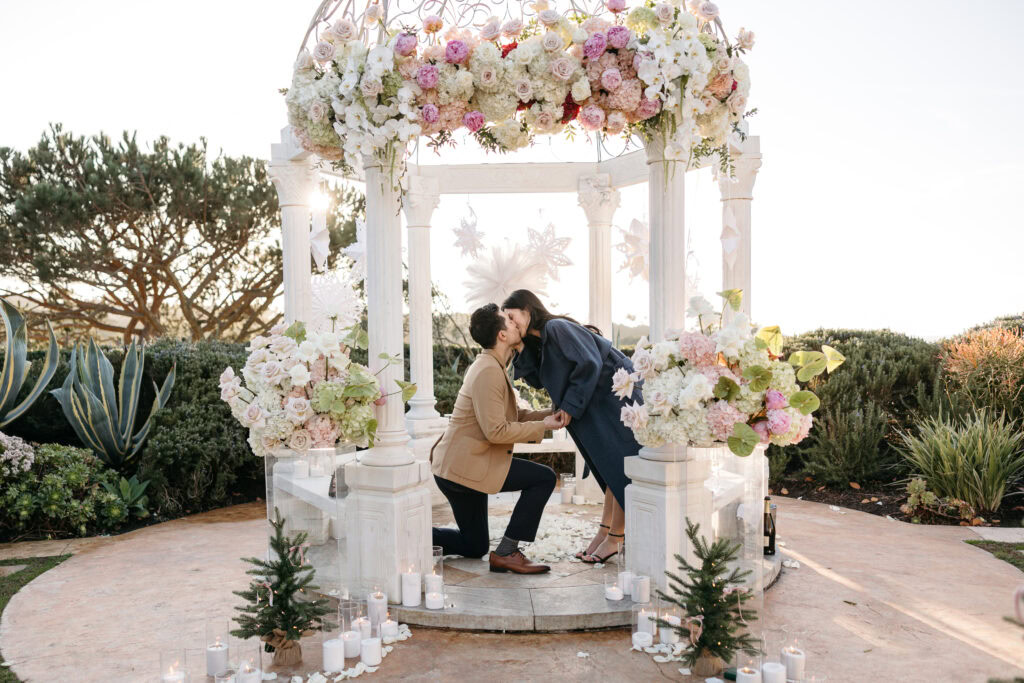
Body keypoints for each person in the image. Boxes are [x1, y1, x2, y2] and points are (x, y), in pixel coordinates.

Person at [502, 289, 642, 564]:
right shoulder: (538, 343)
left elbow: (589, 362)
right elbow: (537, 381)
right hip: (593, 404)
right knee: (609, 468)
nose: (509, 322)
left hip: (612, 397)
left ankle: (616, 537)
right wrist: (519, 347)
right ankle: (605, 532)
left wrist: (569, 405)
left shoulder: (556, 327)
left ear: (527, 309)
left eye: (511, 315)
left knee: (619, 466)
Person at [430, 303, 568, 574]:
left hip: (459, 467)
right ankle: (507, 552)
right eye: (509, 320)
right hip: (463, 469)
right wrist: (543, 425)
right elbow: (496, 431)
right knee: (543, 478)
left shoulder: (492, 366)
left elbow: (514, 416)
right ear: (502, 335)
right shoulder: (488, 371)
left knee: (474, 545)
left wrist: (549, 414)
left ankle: (411, 535)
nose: (516, 323)